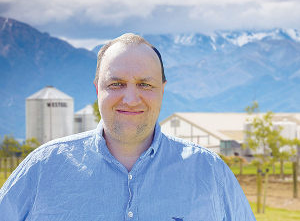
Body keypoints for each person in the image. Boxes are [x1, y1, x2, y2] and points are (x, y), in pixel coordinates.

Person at [0, 33, 256, 220]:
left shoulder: (210, 173)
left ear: (162, 91)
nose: (131, 99)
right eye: (116, 84)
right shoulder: (43, 169)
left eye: (145, 84)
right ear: (97, 90)